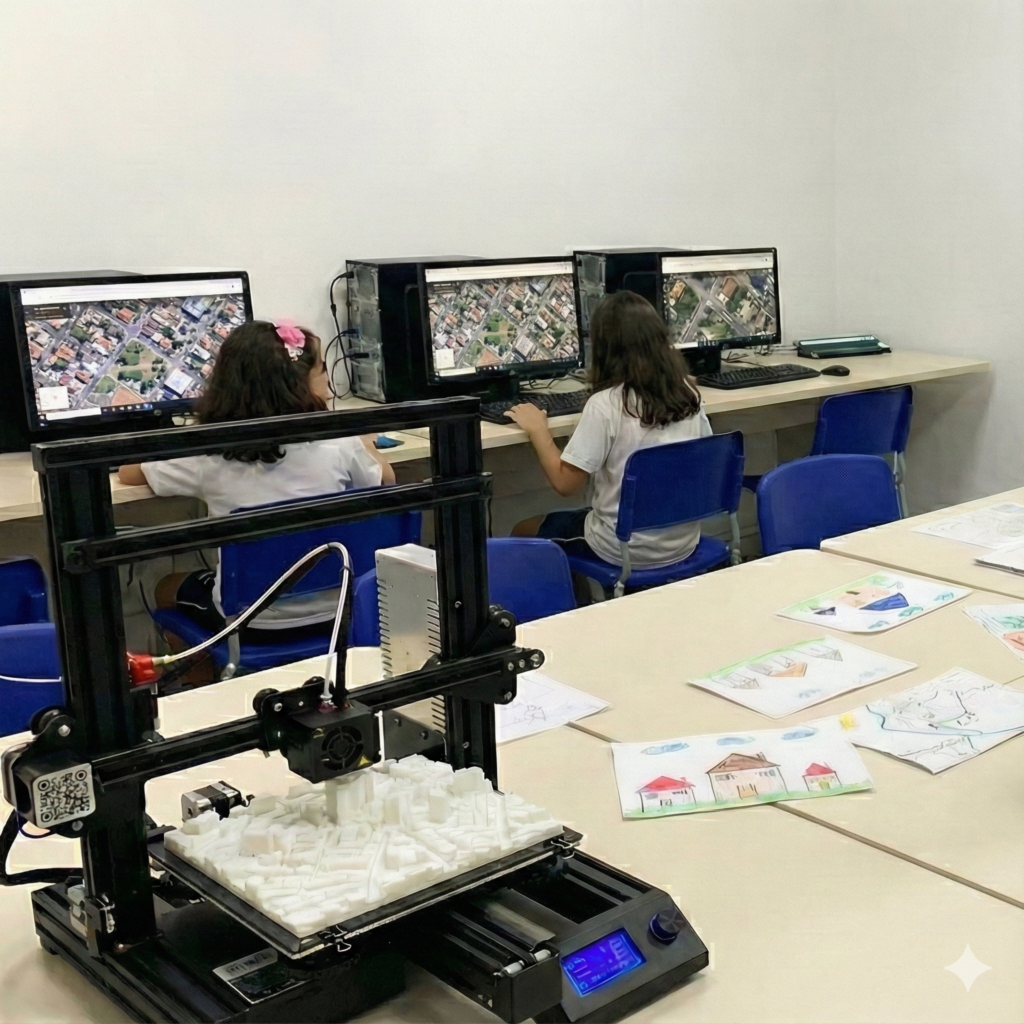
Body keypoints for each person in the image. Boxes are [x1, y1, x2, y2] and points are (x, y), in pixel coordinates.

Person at [119, 319, 395, 638]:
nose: (328, 379)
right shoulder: (338, 443)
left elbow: (128, 472)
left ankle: (208, 669)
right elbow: (385, 479)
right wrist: (361, 440)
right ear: (300, 384)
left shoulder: (208, 453)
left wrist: (184, 437)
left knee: (167, 587)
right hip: (341, 613)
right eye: (321, 369)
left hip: (251, 623)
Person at [504, 291, 712, 588]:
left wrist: (539, 431)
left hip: (620, 547)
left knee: (523, 529)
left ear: (604, 349)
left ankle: (573, 605)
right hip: (683, 542)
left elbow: (566, 485)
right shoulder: (688, 395)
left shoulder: (606, 405)